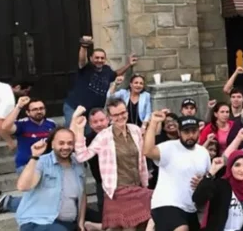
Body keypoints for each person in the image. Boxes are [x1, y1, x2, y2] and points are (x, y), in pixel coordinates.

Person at [72, 99, 152, 231]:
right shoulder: (104, 137)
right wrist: (79, 131)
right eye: (116, 115)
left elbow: (142, 156)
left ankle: (96, 227)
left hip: (137, 186)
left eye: (123, 112)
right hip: (118, 189)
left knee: (140, 224)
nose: (120, 117)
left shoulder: (135, 130)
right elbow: (81, 156)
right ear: (110, 118)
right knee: (130, 227)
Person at [0, 97, 56, 216]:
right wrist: (18, 106)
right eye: (34, 109)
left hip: (47, 165)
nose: (39, 111)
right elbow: (5, 127)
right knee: (43, 199)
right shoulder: (22, 124)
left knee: (47, 199)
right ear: (28, 112)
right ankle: (10, 203)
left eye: (41, 108)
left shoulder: (51, 124)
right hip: (27, 166)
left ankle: (8, 202)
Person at [143, 112, 211, 231]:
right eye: (186, 132)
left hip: (190, 207)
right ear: (179, 132)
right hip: (166, 203)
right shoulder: (169, 147)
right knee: (182, 228)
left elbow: (208, 179)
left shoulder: (203, 153)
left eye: (193, 131)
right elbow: (148, 151)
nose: (190, 135)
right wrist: (153, 123)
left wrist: (203, 183)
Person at [14, 128, 87, 231]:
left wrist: (81, 223)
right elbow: (23, 186)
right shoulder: (42, 162)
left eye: (69, 143)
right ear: (52, 144)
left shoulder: (78, 164)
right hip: (38, 222)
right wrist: (34, 156)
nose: (66, 147)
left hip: (67, 224)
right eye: (61, 143)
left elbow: (82, 195)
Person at [63, 36, 137, 132]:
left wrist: (129, 64)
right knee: (73, 132)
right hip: (74, 107)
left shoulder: (107, 70)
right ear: (91, 58)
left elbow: (116, 73)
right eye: (96, 58)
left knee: (90, 135)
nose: (99, 60)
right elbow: (82, 59)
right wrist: (84, 46)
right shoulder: (87, 68)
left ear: (105, 59)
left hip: (92, 113)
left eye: (102, 58)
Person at [0, 78, 33, 199]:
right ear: (18, 87)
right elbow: (0, 124)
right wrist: (10, 142)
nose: (26, 95)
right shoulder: (9, 97)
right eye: (25, 92)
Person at [193, 151, 243, 231]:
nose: (242, 169)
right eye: (237, 165)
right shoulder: (222, 184)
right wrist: (211, 173)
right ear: (230, 167)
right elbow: (198, 199)